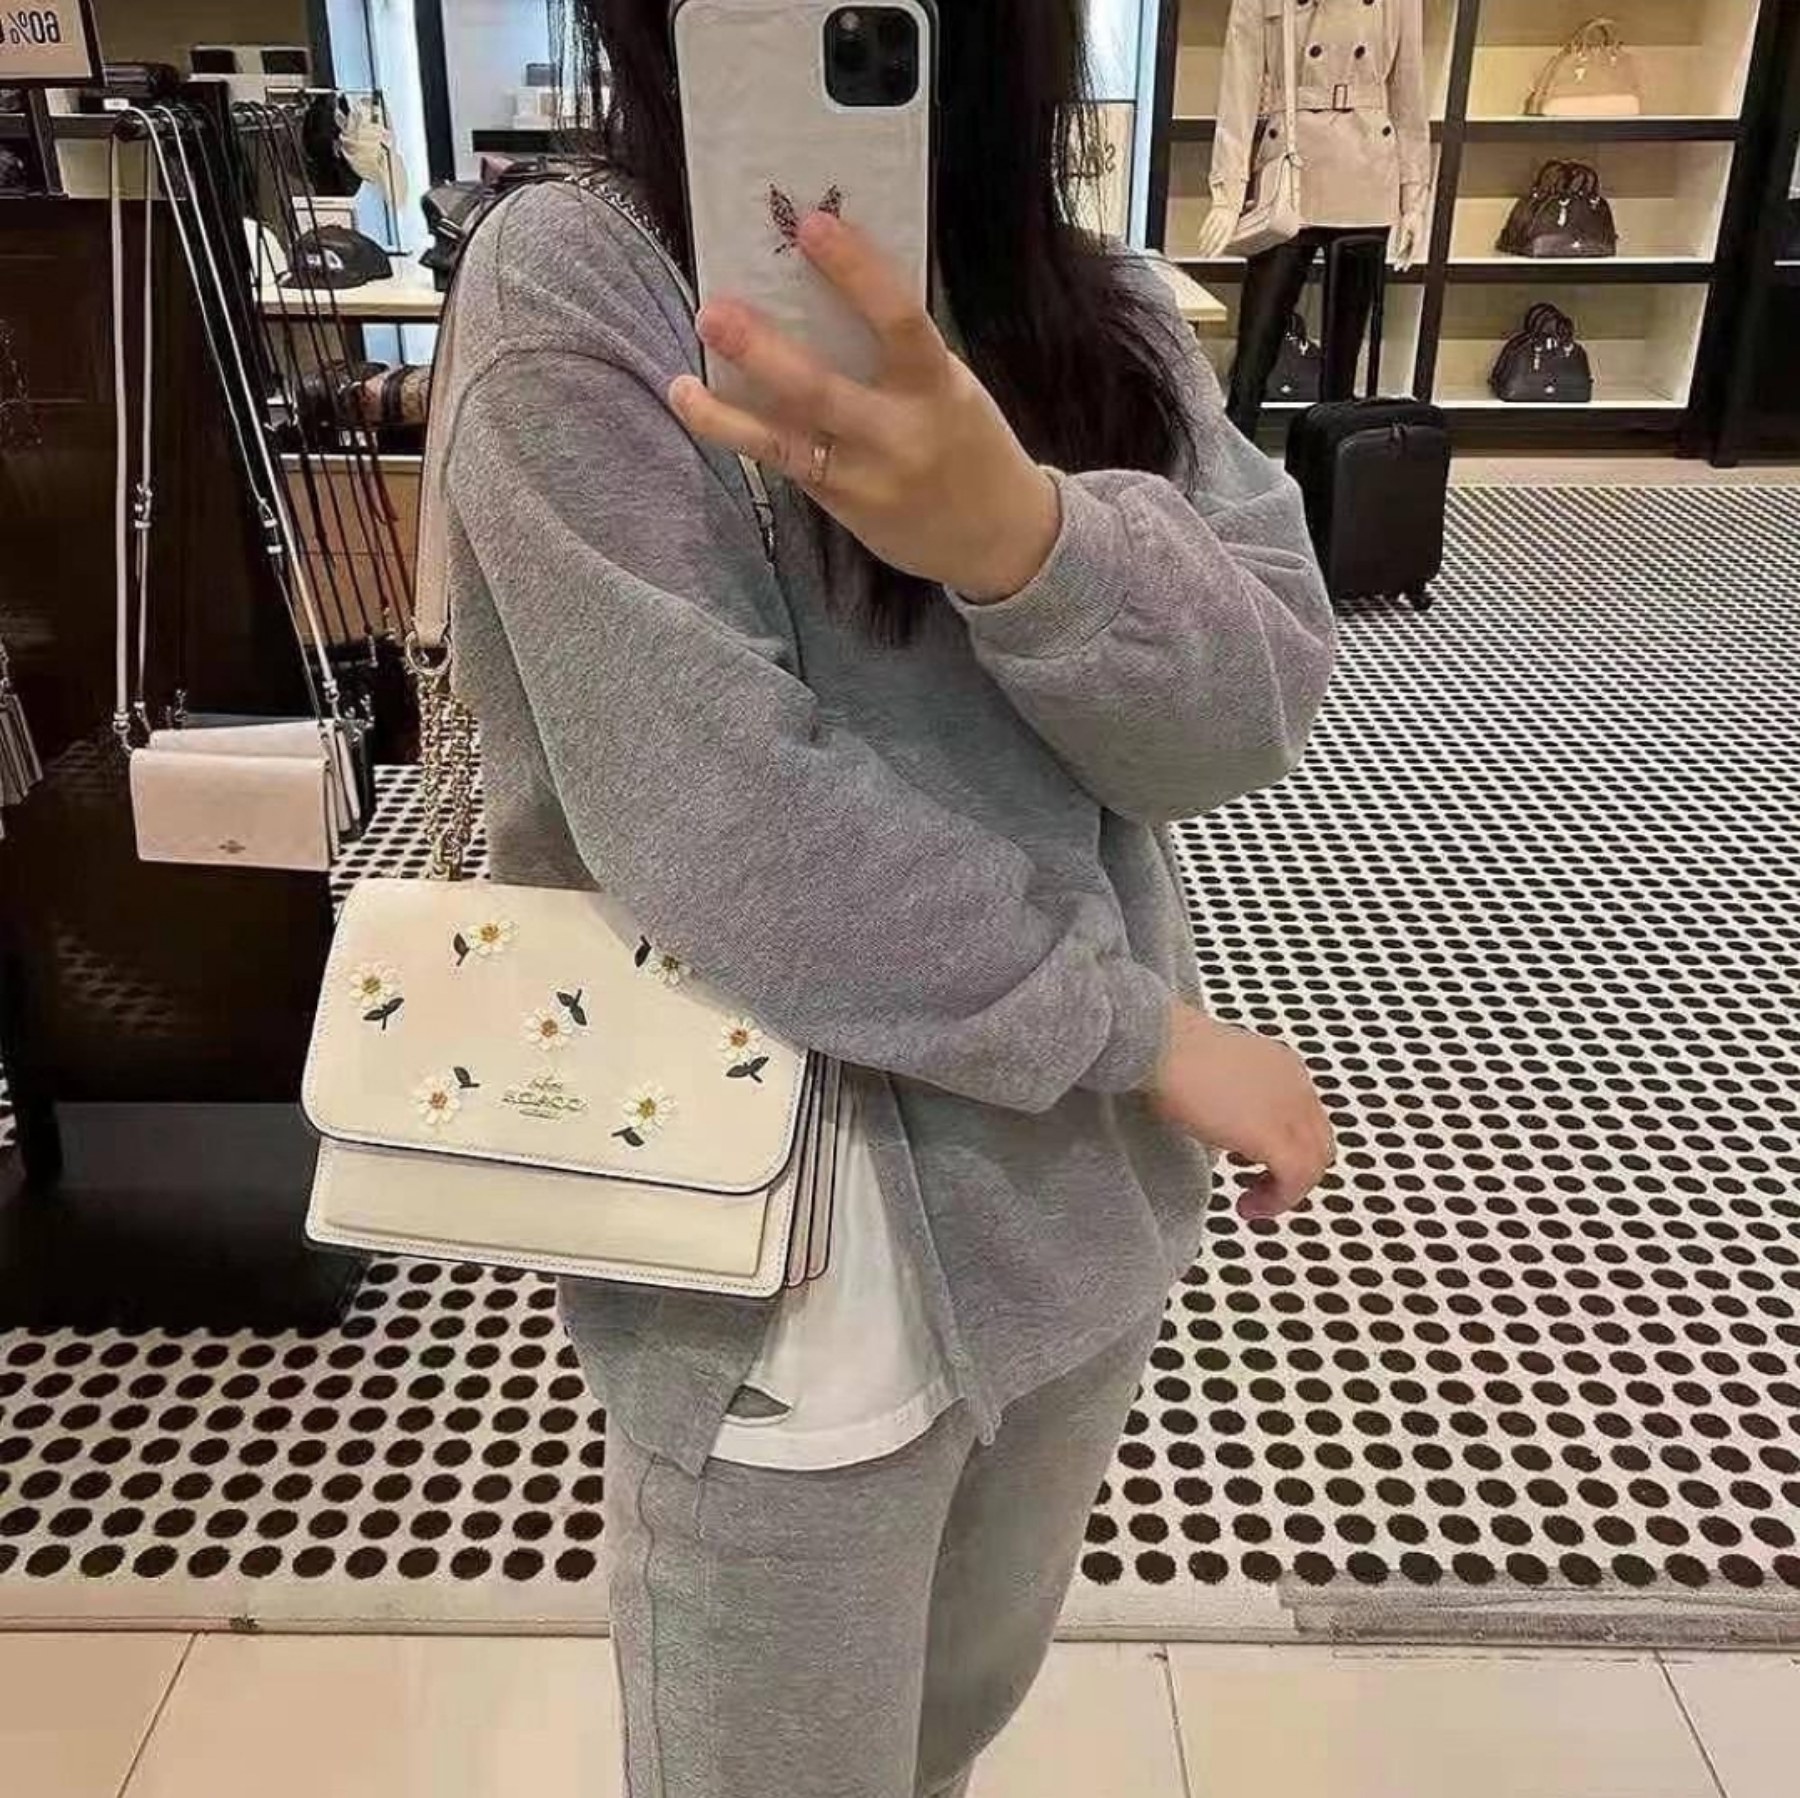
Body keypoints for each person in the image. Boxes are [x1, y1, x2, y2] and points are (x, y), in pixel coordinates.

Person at [428, 4, 1337, 1792]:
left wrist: (1022, 540)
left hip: (1061, 1226)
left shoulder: (1103, 309)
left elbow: (1243, 719)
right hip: (768, 1269)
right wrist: (1140, 1035)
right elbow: (714, 812)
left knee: (942, 1740)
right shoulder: (579, 284)